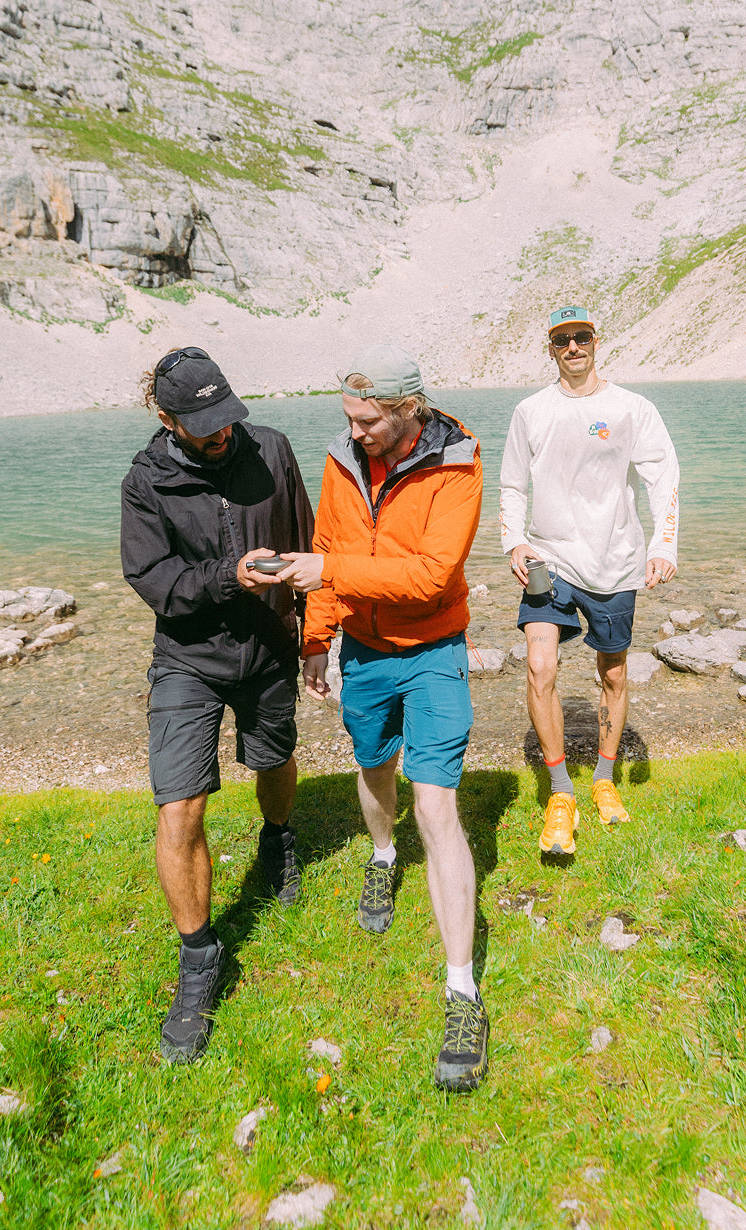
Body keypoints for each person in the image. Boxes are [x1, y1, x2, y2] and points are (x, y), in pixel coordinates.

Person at [276, 345, 488, 1093]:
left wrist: (327, 574)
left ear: (409, 411)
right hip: (361, 652)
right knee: (373, 770)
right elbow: (329, 545)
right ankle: (381, 859)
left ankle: (462, 990)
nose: (355, 430)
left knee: (435, 805)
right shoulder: (341, 459)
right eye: (348, 418)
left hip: (434, 650)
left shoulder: (457, 466)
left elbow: (431, 573)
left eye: (368, 420)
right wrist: (315, 640)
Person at [120, 346, 314, 1063]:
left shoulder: (271, 449)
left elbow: (305, 540)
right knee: (180, 806)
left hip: (268, 645)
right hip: (188, 660)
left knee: (276, 758)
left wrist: (314, 636)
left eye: (226, 416)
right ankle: (199, 958)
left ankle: (279, 838)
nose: (221, 434)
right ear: (165, 418)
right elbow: (154, 578)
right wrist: (226, 577)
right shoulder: (146, 484)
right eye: (202, 424)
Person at [500, 305, 679, 856]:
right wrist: (514, 542)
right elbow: (510, 486)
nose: (573, 347)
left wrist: (663, 545)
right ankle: (560, 790)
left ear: (596, 342)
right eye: (562, 340)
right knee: (539, 665)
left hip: (615, 560)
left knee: (614, 675)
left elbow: (662, 474)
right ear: (550, 349)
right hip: (548, 559)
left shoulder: (630, 408)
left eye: (581, 337)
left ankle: (602, 776)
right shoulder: (531, 411)